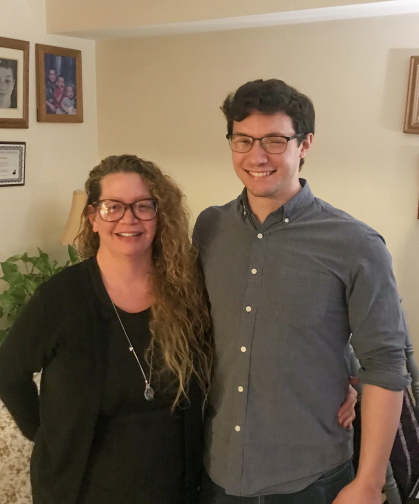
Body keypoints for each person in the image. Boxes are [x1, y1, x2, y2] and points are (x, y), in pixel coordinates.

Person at [194, 79, 410, 504]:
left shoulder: (356, 244)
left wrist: (367, 484)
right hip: (216, 472)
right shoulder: (209, 228)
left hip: (311, 481)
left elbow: (386, 362)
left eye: (275, 140)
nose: (257, 156)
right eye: (243, 140)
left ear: (304, 144)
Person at [0, 154, 212, 504]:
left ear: (160, 216)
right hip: (81, 489)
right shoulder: (60, 298)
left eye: (143, 206)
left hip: (174, 488)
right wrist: (47, 433)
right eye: (113, 206)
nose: (129, 219)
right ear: (92, 218)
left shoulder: (187, 293)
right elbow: (8, 371)